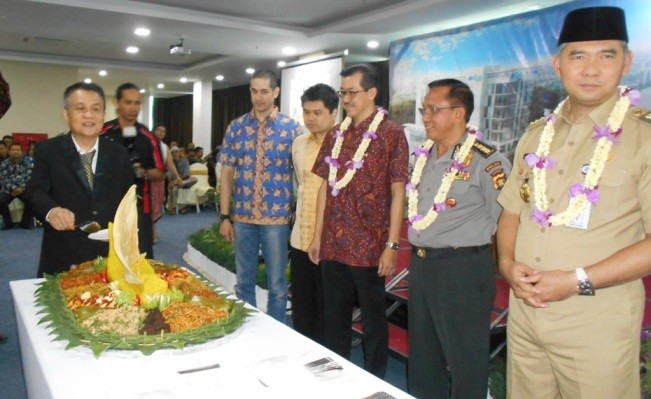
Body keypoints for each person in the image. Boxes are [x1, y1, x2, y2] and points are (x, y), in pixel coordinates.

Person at [496, 7, 651, 398]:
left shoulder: (643, 138)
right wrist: (507, 264)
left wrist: (575, 281)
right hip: (527, 314)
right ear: (558, 64)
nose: (591, 69)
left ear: (627, 62)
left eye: (607, 55)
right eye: (578, 56)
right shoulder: (535, 137)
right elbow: (512, 211)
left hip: (596, 320)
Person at [406, 79, 510, 398]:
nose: (426, 116)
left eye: (434, 109)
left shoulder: (486, 161)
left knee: (466, 361)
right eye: (424, 109)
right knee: (423, 358)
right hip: (422, 266)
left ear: (459, 113)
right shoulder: (423, 157)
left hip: (462, 270)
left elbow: (506, 220)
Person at [308, 64, 409, 378]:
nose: (347, 99)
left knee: (373, 319)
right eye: (343, 92)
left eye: (352, 92)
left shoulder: (391, 133)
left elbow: (398, 191)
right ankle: (334, 378)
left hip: (369, 246)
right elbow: (326, 184)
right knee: (333, 316)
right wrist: (316, 235)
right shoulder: (337, 133)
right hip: (334, 243)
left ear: (372, 93)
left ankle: (374, 380)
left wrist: (392, 245)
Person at [23, 82, 133, 276]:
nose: (89, 115)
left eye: (96, 109)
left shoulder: (119, 154)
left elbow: (129, 200)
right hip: (64, 251)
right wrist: (52, 210)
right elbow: (34, 191)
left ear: (103, 115)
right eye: (80, 109)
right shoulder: (48, 150)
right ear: (66, 114)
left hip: (109, 254)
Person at [219, 69, 300, 323]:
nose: (259, 97)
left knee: (277, 285)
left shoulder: (291, 129)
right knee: (244, 282)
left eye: (265, 91)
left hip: (276, 219)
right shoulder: (237, 127)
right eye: (254, 91)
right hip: (242, 217)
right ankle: (250, 328)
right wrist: (224, 216)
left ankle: (275, 331)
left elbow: (301, 175)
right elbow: (226, 173)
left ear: (275, 92)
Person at [290, 83, 338, 344]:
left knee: (328, 307)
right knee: (303, 304)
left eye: (317, 112)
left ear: (333, 112)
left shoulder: (345, 143)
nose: (310, 118)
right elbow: (301, 184)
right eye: (306, 112)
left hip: (331, 241)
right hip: (300, 236)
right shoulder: (298, 144)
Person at [100, 83, 165, 258]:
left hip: (139, 205)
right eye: (128, 102)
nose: (133, 108)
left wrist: (141, 171)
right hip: (106, 204)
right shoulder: (102, 133)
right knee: (107, 256)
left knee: (141, 257)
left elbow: (160, 173)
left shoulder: (149, 137)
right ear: (116, 102)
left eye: (137, 103)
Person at [152, 124, 181, 239]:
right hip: (147, 179)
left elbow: (170, 163)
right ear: (153, 131)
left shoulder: (165, 147)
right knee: (147, 206)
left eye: (163, 131)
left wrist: (177, 176)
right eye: (158, 130)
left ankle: (151, 230)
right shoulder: (147, 143)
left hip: (159, 180)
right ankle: (151, 232)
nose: (160, 133)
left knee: (156, 206)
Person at [0, 143, 34, 229]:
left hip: (23, 189)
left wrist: (21, 189)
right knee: (1, 200)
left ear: (21, 151)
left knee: (32, 199)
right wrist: (13, 189)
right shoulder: (4, 163)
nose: (16, 152)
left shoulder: (27, 163)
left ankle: (25, 223)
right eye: (13, 150)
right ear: (9, 152)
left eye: (18, 150)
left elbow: (29, 177)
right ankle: (8, 223)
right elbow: (3, 179)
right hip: (8, 190)